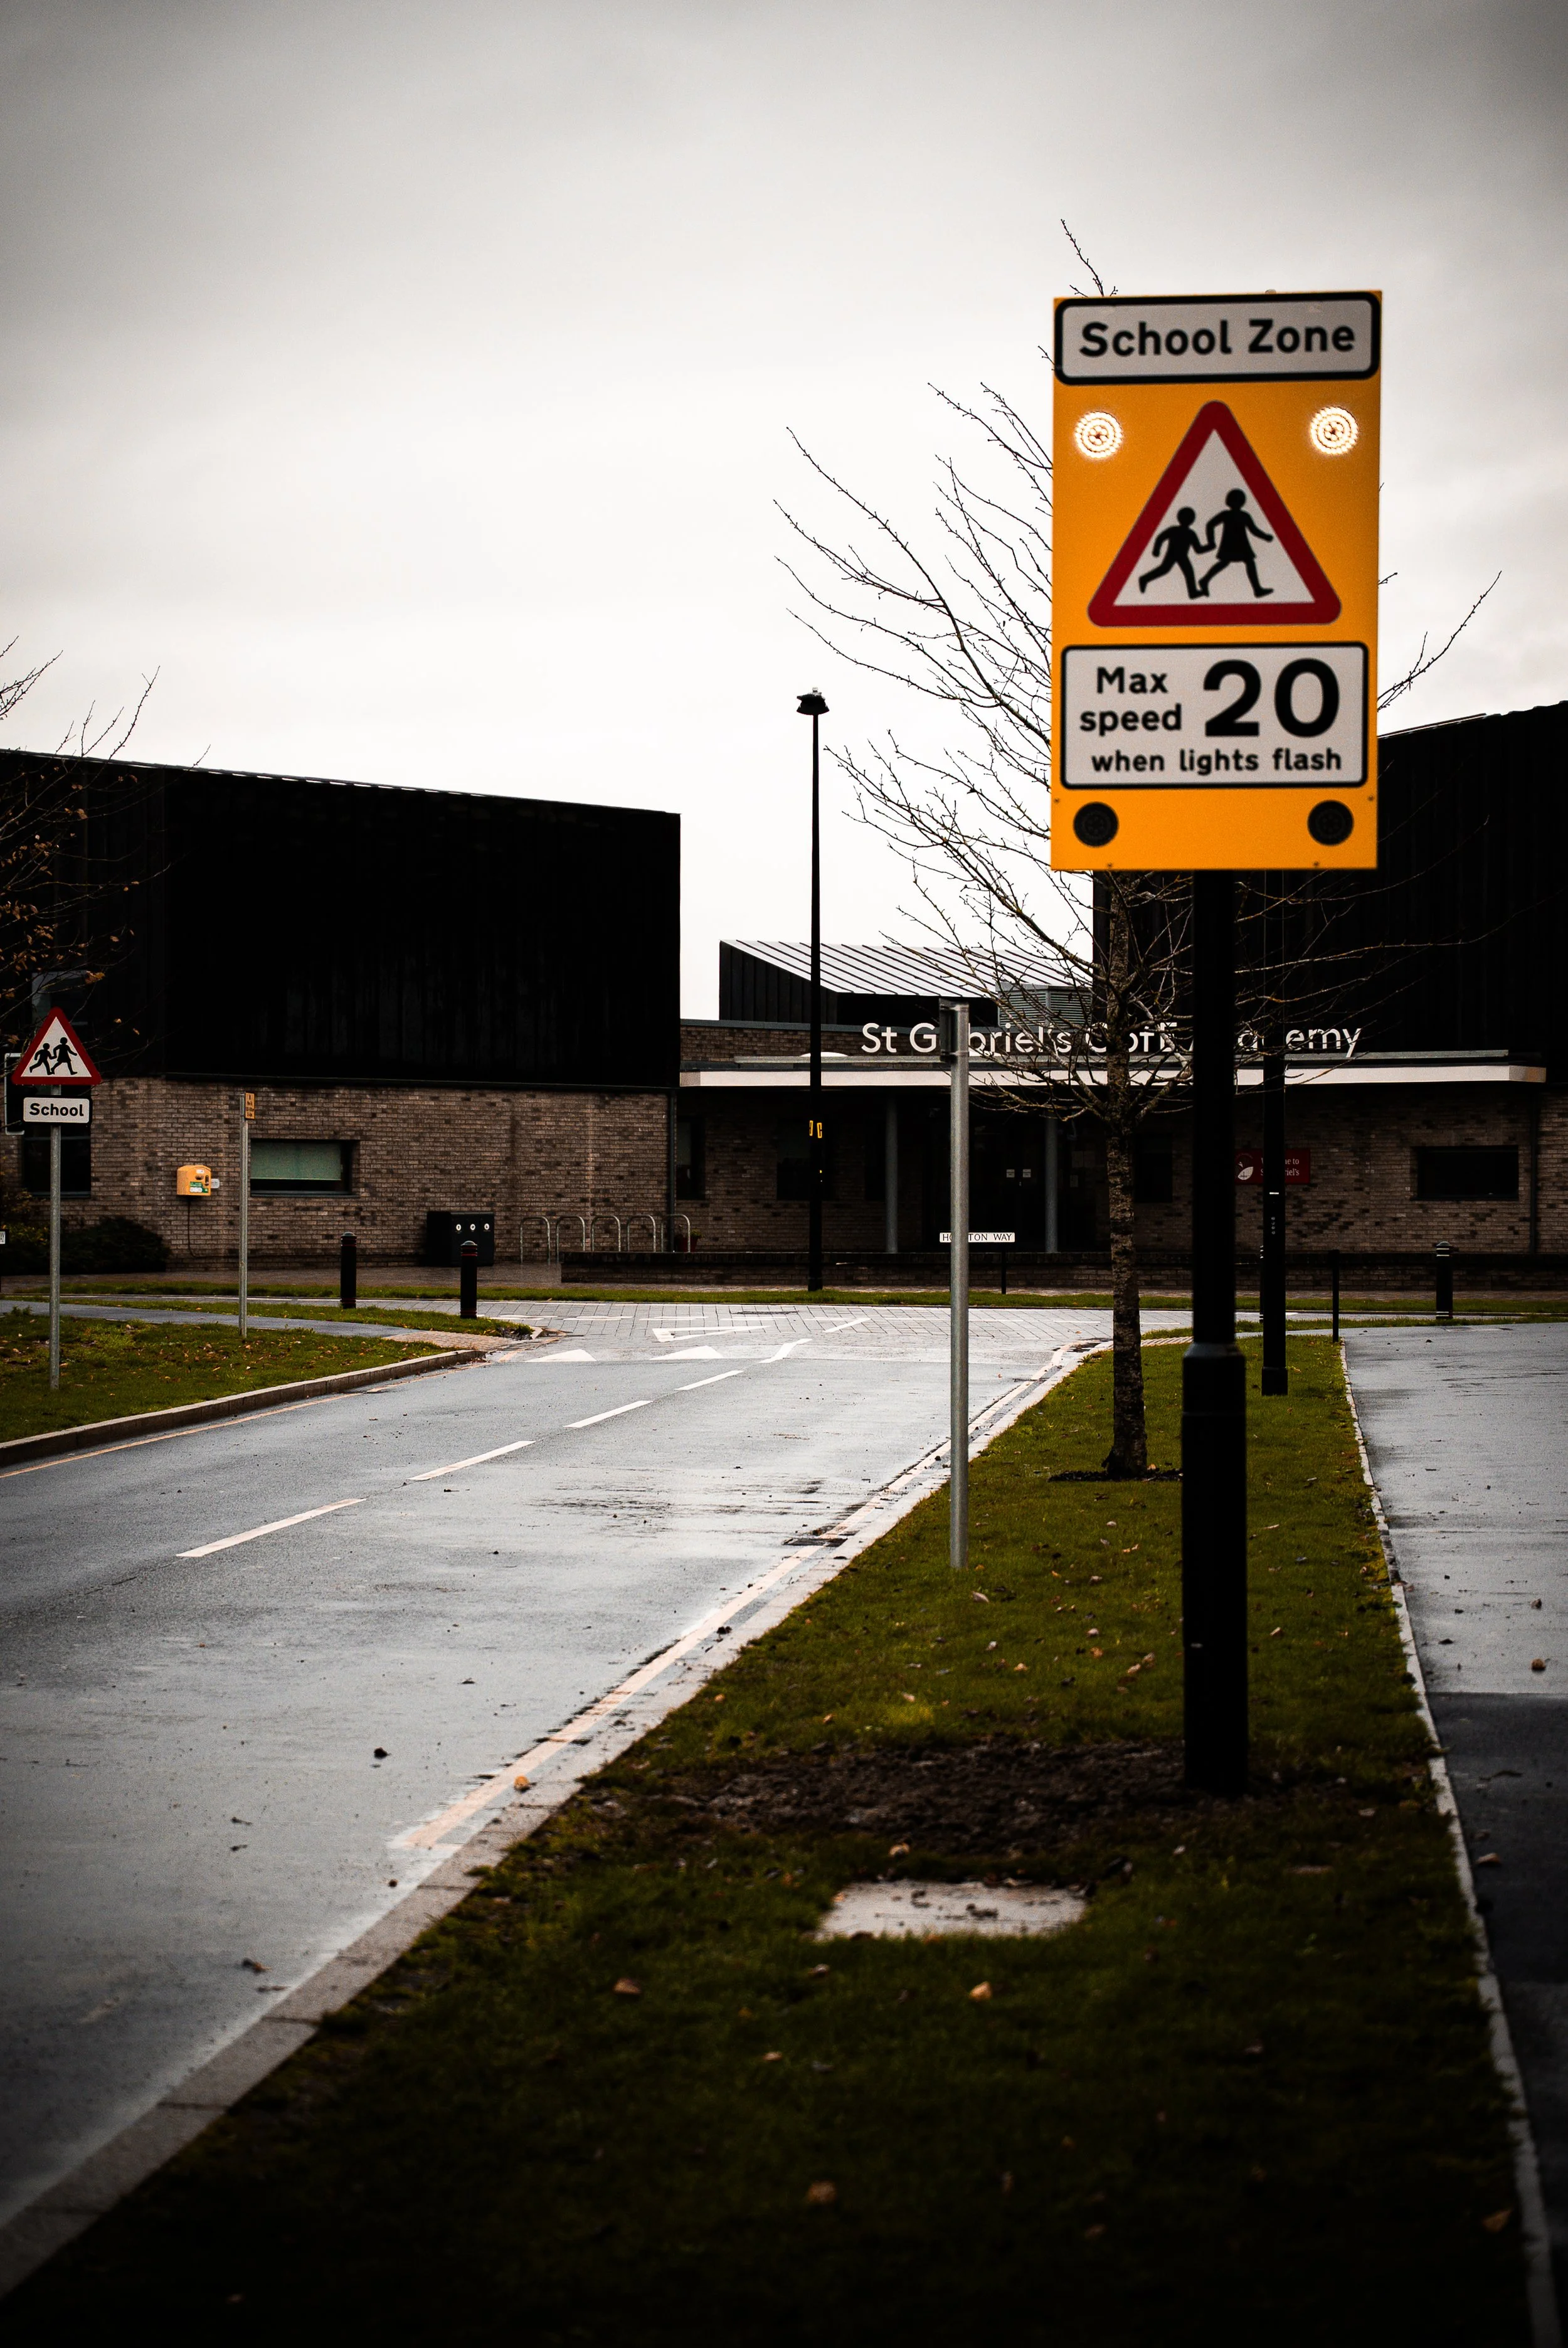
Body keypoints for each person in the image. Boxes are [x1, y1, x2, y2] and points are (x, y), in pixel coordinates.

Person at [1199, 488, 1274, 598]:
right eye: (1235, 501)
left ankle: (1257, 589)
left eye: (1239, 501)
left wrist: (1265, 537)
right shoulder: (1226, 515)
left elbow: (1254, 530)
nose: (1237, 503)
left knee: (1246, 562)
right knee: (1228, 562)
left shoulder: (1244, 516)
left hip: (1242, 544)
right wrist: (1211, 542)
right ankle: (1205, 580)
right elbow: (1210, 525)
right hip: (1230, 544)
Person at [1138, 505, 1205, 598]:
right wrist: (1156, 550)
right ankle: (1144, 579)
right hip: (1172, 554)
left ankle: (1193, 592)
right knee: (1165, 570)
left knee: (1187, 572)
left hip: (1182, 556)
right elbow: (1160, 538)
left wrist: (1209, 547)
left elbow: (1198, 550)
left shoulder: (1191, 534)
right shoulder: (1175, 530)